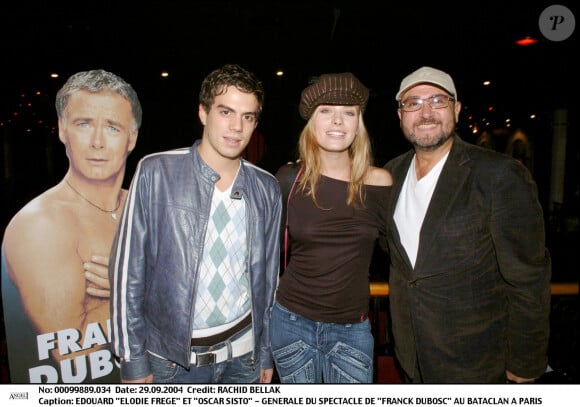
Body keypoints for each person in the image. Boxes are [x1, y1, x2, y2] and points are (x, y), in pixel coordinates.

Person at [109, 63, 281, 384]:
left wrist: (265, 350)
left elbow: (269, 281)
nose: (236, 127)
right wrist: (133, 358)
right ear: (203, 113)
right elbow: (127, 273)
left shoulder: (266, 187)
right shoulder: (156, 171)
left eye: (248, 116)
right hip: (172, 362)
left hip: (243, 358)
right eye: (225, 112)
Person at [383, 66, 552, 383]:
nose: (426, 112)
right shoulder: (391, 173)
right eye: (413, 103)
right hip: (410, 355)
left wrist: (526, 361)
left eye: (438, 100)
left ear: (457, 110)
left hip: (477, 363)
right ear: (400, 114)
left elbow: (529, 277)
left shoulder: (499, 174)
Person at [1, 69, 141, 382]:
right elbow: (75, 350)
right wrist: (145, 286)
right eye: (84, 124)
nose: (97, 142)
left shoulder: (144, 206)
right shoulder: (41, 224)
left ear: (132, 137)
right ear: (63, 129)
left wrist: (129, 284)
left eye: (113, 127)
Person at [270, 72, 392, 383]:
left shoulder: (380, 182)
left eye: (348, 113)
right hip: (291, 322)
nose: (337, 121)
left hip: (352, 329)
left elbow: (398, 251)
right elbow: (267, 253)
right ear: (312, 122)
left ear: (358, 123)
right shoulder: (288, 179)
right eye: (326, 110)